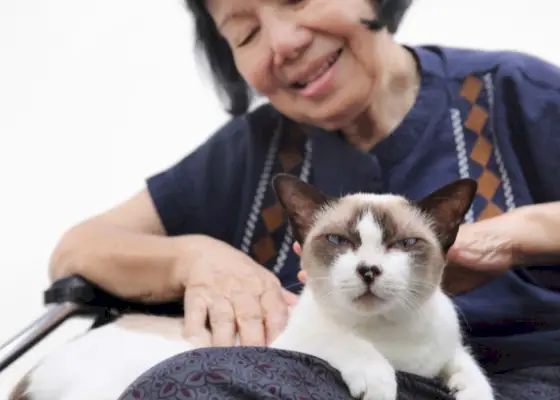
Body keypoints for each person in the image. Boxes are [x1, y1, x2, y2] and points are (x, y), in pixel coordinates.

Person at [47, 0, 560, 398]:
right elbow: (78, 249)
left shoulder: (513, 92)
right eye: (246, 33)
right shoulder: (252, 151)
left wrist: (519, 233)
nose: (283, 43)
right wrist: (194, 256)